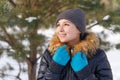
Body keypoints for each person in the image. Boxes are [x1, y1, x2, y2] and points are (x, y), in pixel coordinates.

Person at [37, 8, 113, 80]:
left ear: (79, 29)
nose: (60, 29)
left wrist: (84, 74)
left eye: (66, 24)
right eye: (58, 25)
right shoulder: (49, 53)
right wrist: (54, 69)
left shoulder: (97, 55)